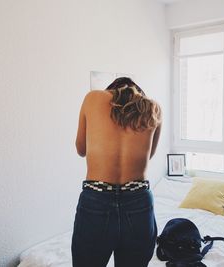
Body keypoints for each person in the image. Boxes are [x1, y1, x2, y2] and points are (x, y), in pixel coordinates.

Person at [71, 77, 162, 267]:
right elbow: (149, 155)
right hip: (138, 200)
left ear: (110, 91)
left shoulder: (93, 98)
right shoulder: (154, 109)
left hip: (97, 198)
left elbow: (81, 149)